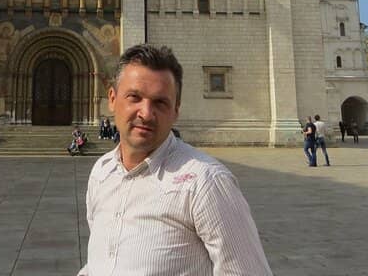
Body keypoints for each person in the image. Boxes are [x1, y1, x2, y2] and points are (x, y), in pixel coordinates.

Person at [79, 44, 272, 275]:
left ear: (176, 110)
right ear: (112, 98)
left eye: (160, 102)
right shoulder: (102, 173)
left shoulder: (205, 183)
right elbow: (101, 261)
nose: (146, 113)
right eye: (135, 97)